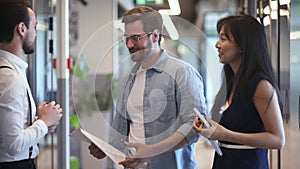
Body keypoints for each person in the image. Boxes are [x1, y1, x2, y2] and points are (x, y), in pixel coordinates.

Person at [89, 6, 206, 169]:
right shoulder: (127, 79)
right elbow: (123, 131)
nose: (130, 44)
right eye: (127, 38)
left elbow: (194, 127)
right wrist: (106, 147)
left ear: (155, 36)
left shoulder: (182, 73)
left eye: (136, 38)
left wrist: (151, 151)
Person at [193, 15, 285, 169]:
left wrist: (224, 134)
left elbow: (277, 140)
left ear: (242, 44)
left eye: (223, 39)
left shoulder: (260, 85)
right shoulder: (231, 80)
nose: (217, 44)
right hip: (225, 161)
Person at [0, 1, 63, 169]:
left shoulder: (12, 72)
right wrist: (43, 122)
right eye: (34, 27)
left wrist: (38, 121)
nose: (35, 33)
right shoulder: (10, 78)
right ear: (21, 29)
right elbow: (14, 145)